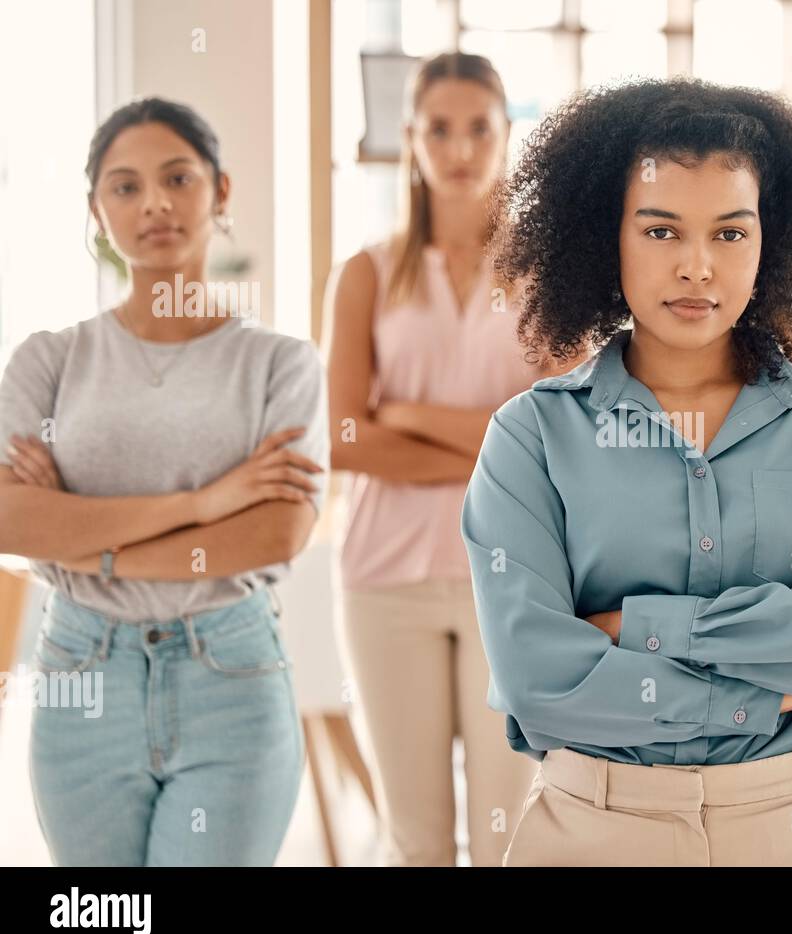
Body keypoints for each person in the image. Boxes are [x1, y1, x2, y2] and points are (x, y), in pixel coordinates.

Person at [460, 77, 792, 866]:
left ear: (769, 239)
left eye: (730, 233)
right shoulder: (530, 439)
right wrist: (784, 673)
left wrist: (637, 629)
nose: (697, 267)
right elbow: (539, 679)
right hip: (599, 832)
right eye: (660, 231)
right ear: (604, 235)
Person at [0, 97, 328, 866]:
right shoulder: (48, 359)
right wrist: (206, 503)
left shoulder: (280, 363)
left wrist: (83, 536)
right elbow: (10, 522)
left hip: (231, 674)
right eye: (124, 186)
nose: (154, 202)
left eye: (177, 177)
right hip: (82, 673)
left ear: (221, 191)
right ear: (96, 210)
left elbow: (276, 531)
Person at [324, 53, 574, 867]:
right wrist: (491, 445)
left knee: (511, 828)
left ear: (507, 137)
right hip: (384, 579)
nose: (460, 148)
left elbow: (561, 438)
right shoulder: (363, 274)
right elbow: (343, 438)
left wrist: (410, 415)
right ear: (411, 139)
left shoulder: (546, 281)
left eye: (479, 128)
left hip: (515, 577)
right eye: (439, 128)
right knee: (416, 840)